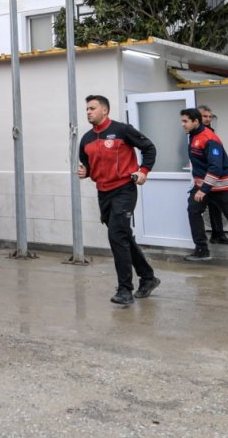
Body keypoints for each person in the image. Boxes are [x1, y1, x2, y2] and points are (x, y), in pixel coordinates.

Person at [76, 94, 161, 306]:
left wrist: (143, 171)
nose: (88, 112)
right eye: (87, 109)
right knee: (122, 236)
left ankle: (125, 290)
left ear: (104, 110)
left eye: (92, 108)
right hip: (103, 192)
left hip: (124, 189)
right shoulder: (86, 139)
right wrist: (85, 172)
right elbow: (86, 165)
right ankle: (148, 277)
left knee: (116, 236)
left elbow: (149, 148)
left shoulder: (122, 130)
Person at [180, 107, 228, 265]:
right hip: (204, 185)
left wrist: (203, 189)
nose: (182, 124)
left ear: (196, 121)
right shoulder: (193, 136)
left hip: (222, 187)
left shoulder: (209, 138)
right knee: (193, 210)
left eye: (185, 121)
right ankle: (202, 250)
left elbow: (215, 167)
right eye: (182, 121)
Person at [197, 105, 228, 246]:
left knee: (215, 207)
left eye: (209, 116)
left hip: (212, 176)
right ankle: (200, 243)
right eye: (204, 116)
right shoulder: (195, 134)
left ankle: (218, 234)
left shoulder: (210, 132)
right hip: (202, 177)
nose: (207, 119)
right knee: (196, 210)